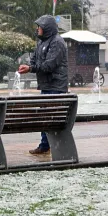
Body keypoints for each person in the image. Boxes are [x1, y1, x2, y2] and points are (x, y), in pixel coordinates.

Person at [18, 15, 69, 154]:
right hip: (46, 86)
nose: (37, 29)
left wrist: (31, 68)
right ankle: (45, 145)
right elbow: (35, 60)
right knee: (46, 115)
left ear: (46, 28)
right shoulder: (41, 42)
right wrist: (30, 66)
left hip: (55, 86)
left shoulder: (57, 42)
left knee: (51, 116)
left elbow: (49, 65)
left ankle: (50, 145)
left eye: (39, 26)